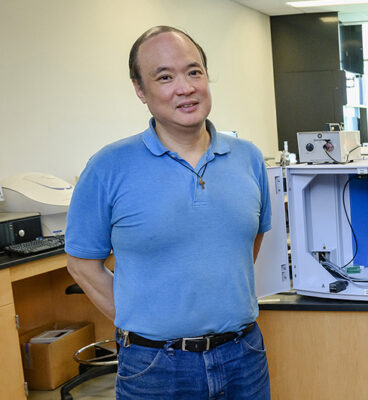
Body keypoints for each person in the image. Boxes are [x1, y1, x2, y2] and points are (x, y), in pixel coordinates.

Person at [65, 26, 272, 399]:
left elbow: (249, 241)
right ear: (140, 90)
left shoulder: (249, 158)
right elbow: (82, 263)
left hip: (244, 355)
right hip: (153, 366)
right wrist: (141, 322)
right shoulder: (108, 167)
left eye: (194, 72)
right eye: (165, 77)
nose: (185, 87)